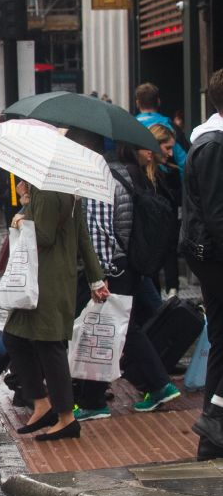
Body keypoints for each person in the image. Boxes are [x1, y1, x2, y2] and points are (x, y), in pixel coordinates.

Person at [67, 131, 179, 421]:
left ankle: (155, 386)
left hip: (111, 267)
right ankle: (98, 398)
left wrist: (99, 275)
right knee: (111, 328)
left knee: (115, 329)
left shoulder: (96, 176)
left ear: (82, 147)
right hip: (124, 263)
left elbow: (100, 230)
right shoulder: (116, 171)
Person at [3, 180, 107, 441]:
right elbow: (82, 234)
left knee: (48, 345)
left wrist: (20, 218)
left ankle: (65, 417)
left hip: (45, 278)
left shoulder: (45, 190)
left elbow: (45, 235)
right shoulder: (71, 188)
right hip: (58, 277)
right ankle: (43, 405)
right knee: (19, 337)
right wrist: (96, 278)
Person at [182, 67, 223, 461]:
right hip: (215, 259)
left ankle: (213, 435)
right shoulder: (213, 146)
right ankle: (211, 433)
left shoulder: (210, 142)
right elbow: (216, 213)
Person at [147, 124, 183, 297]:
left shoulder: (171, 172)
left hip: (166, 237)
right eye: (167, 148)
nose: (170, 153)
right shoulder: (143, 177)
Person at [135, 82, 186, 178]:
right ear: (158, 101)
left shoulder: (130, 126)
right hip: (167, 182)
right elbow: (184, 162)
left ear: (137, 103)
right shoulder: (170, 126)